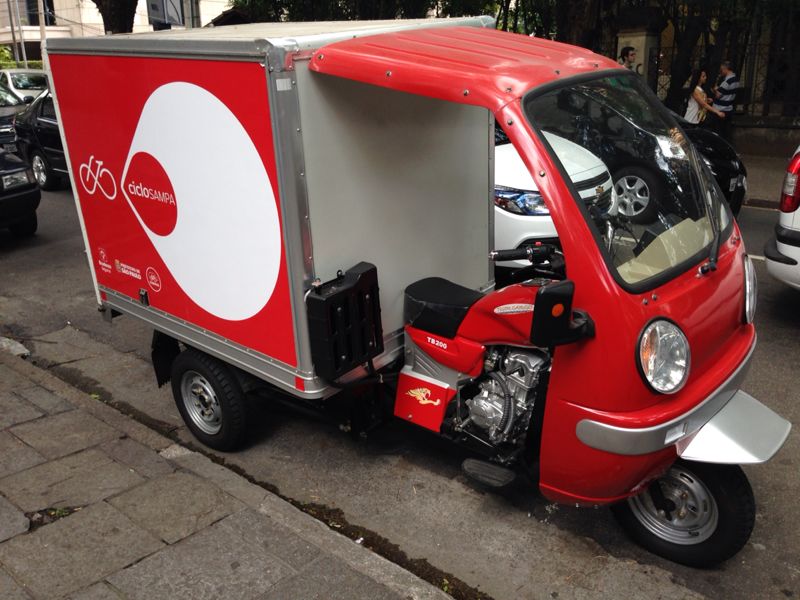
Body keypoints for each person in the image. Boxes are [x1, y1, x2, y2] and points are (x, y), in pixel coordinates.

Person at [706, 60, 740, 141]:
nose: (721, 72)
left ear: (726, 68)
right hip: (729, 108)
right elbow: (727, 94)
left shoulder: (727, 81)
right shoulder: (736, 80)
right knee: (726, 132)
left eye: (722, 70)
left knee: (719, 133)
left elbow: (718, 95)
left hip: (720, 110)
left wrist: (714, 90)